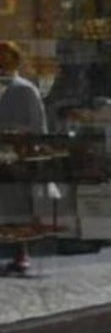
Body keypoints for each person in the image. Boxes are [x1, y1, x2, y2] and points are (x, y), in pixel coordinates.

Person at [0, 40, 48, 275]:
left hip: (17, 156)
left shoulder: (25, 89)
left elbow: (37, 126)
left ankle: (21, 252)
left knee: (17, 203)